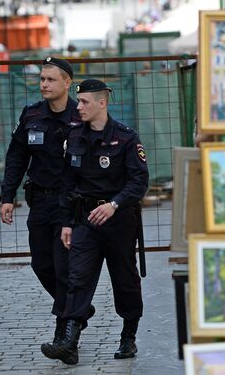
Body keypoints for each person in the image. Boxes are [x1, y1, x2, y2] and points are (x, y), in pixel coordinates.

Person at [41, 79, 149, 365]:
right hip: (84, 220)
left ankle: (128, 336)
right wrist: (66, 222)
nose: (80, 108)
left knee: (124, 280)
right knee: (77, 278)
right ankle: (69, 342)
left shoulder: (126, 137)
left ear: (103, 102)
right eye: (80, 102)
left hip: (119, 221)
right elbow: (67, 182)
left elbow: (139, 181)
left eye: (86, 102)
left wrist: (114, 205)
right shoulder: (75, 136)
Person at [0, 56, 94, 354]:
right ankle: (77, 308)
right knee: (42, 264)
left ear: (67, 83)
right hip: (40, 202)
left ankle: (65, 338)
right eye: (42, 79)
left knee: (65, 268)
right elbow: (17, 157)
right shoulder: (31, 116)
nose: (44, 84)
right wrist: (7, 196)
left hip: (71, 205)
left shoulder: (82, 117)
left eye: (51, 79)